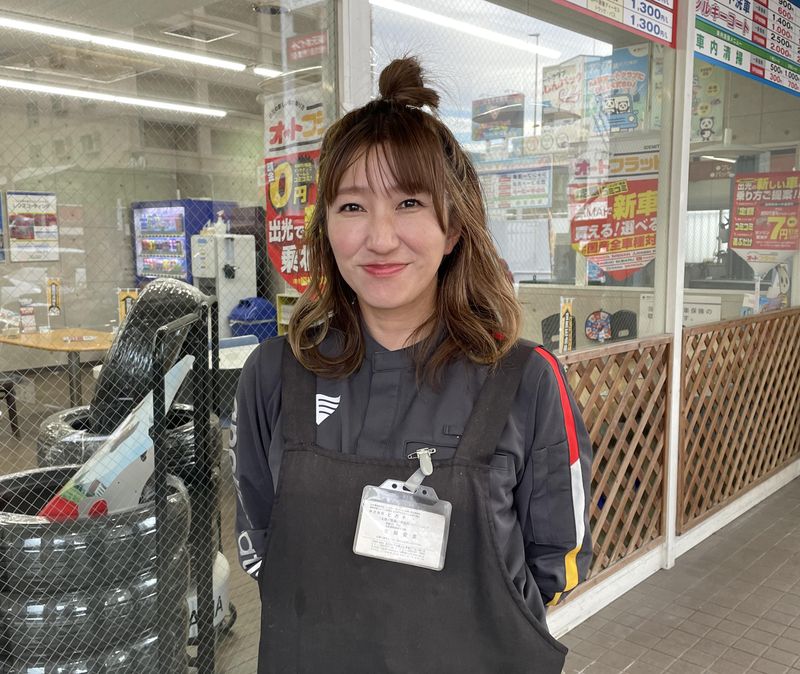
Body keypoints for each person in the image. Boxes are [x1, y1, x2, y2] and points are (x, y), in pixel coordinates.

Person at [231, 56, 592, 673]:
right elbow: (260, 534)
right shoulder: (273, 374)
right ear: (326, 231)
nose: (380, 238)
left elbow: (559, 557)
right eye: (351, 207)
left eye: (409, 203)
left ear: (453, 230)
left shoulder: (525, 380)